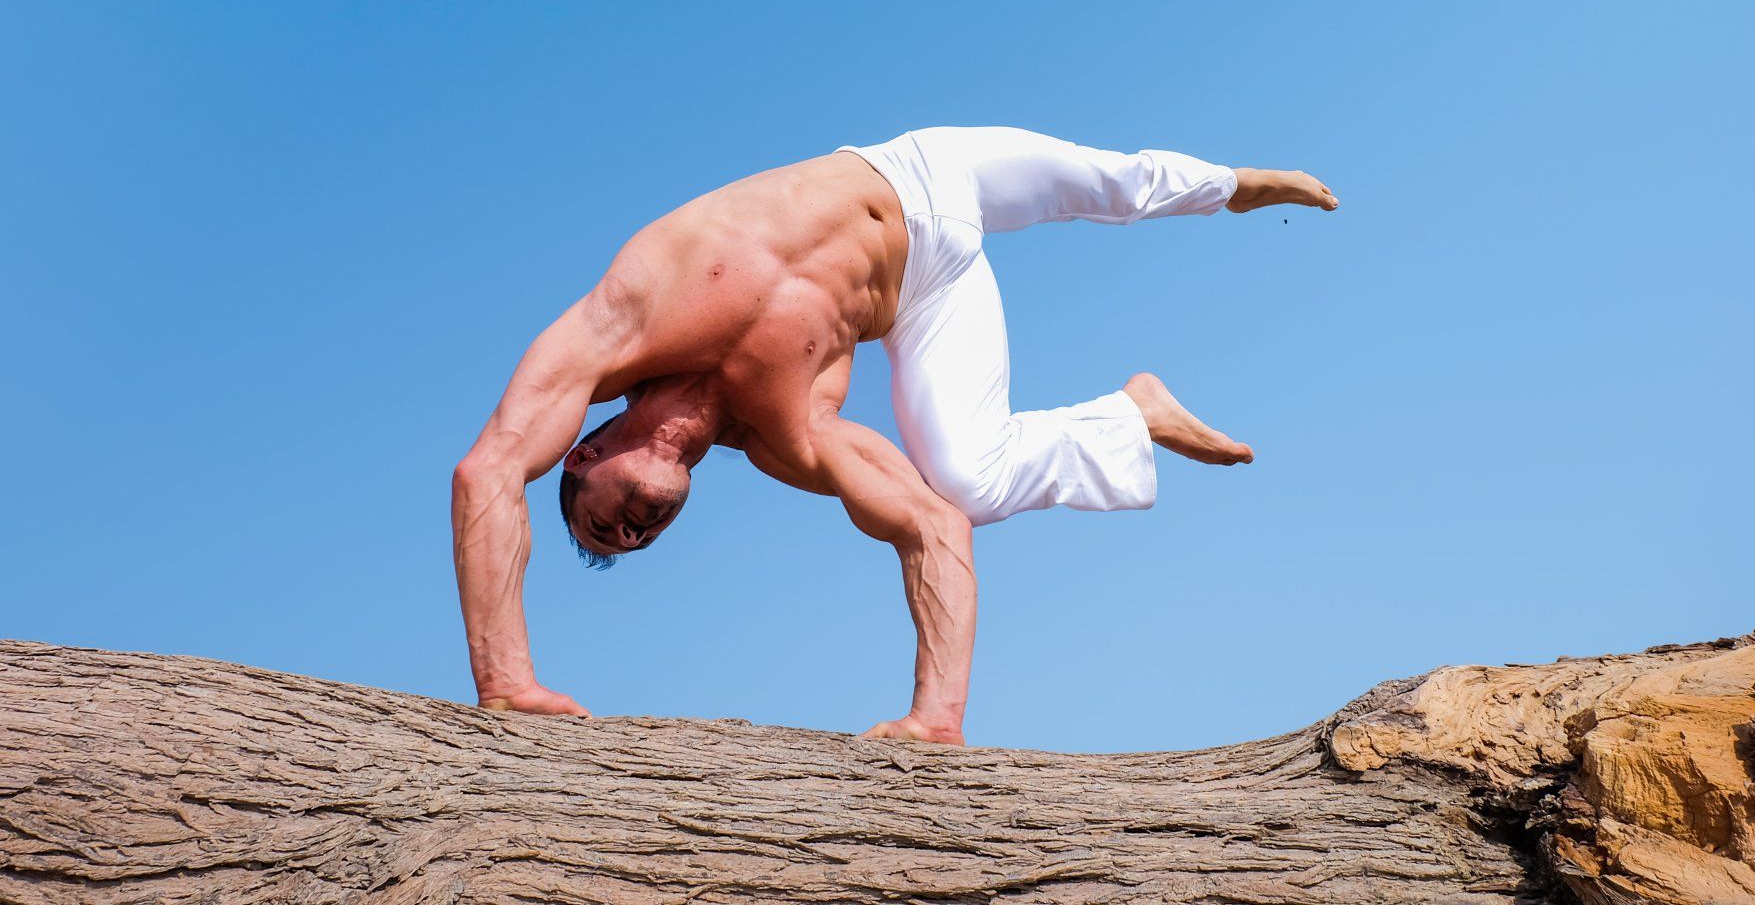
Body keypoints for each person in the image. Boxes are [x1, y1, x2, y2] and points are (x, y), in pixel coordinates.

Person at [451, 127, 1337, 743]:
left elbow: (487, 469)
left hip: (921, 171)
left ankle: (1238, 185)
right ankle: (1129, 416)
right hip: (927, 289)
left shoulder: (623, 326)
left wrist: (504, 685)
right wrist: (936, 718)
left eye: (603, 521)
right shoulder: (787, 435)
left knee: (1110, 182)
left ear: (583, 453)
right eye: (636, 542)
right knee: (968, 487)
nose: (632, 535)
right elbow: (929, 525)